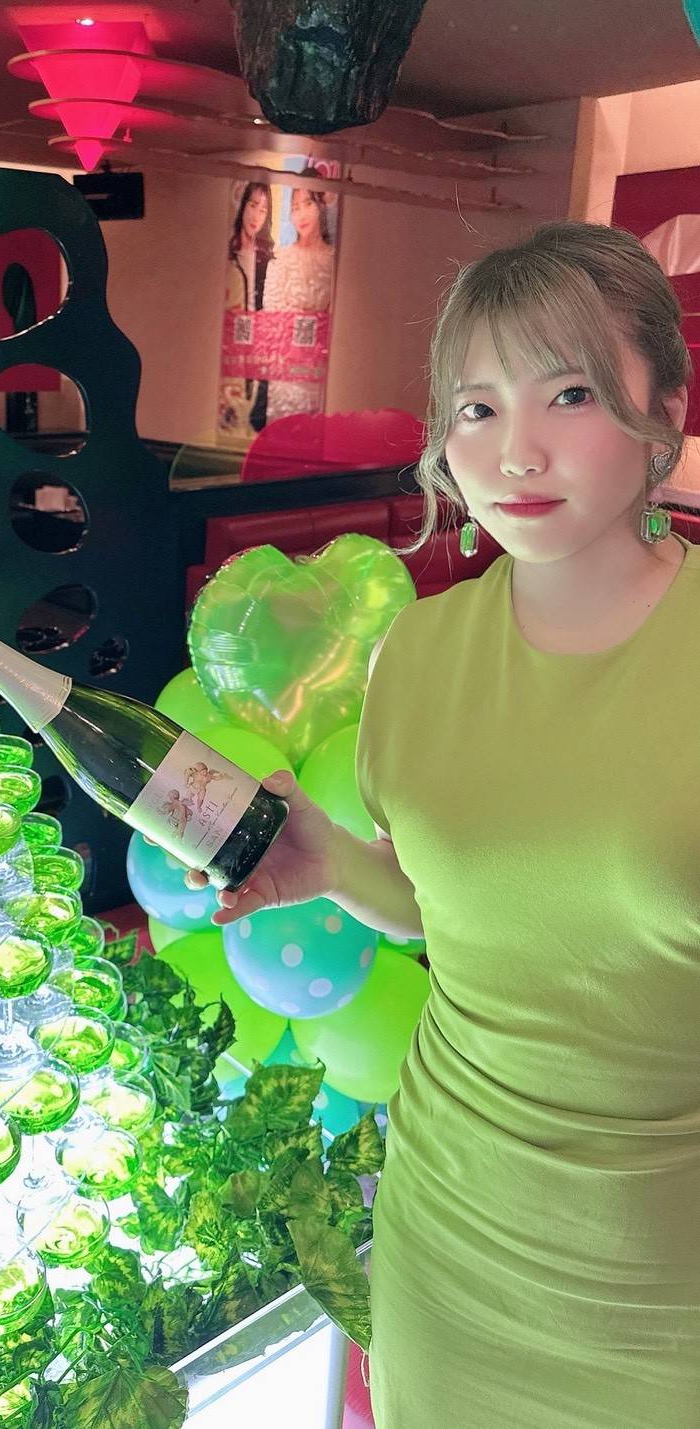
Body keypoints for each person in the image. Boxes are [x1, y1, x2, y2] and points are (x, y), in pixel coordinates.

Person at [185, 219, 700, 1427]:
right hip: (451, 1240)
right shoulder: (417, 655)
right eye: (475, 408)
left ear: (662, 412)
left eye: (568, 394)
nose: (513, 450)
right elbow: (462, 916)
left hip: (662, 1285)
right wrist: (328, 863)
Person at [261, 184, 335, 424]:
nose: (301, 214)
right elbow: (272, 316)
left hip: (320, 370)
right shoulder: (281, 258)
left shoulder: (334, 259)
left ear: (321, 206)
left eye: (308, 204)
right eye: (295, 208)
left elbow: (336, 320)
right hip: (286, 369)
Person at [222, 181, 274, 435]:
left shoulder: (267, 258)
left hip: (257, 344)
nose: (256, 216)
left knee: (255, 407)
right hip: (230, 342)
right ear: (242, 205)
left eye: (263, 210)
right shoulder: (226, 255)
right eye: (253, 206)